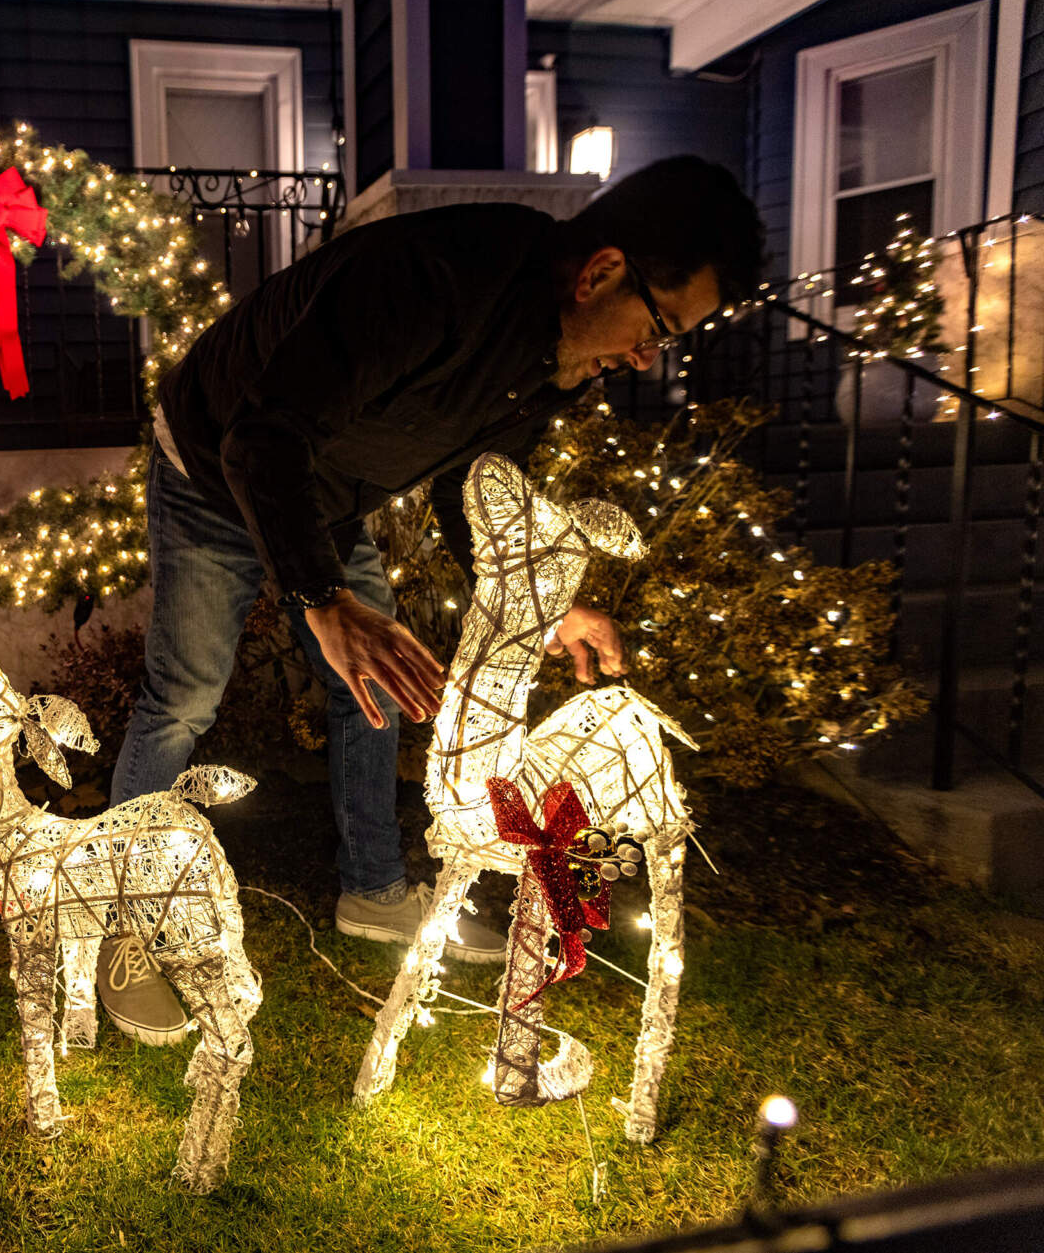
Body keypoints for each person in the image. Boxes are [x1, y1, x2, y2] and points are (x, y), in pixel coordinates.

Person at [94, 156, 766, 1045]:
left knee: (376, 681)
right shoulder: (430, 280)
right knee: (185, 695)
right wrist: (323, 599)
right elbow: (260, 441)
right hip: (217, 467)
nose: (648, 355)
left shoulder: (549, 360)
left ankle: (373, 889)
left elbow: (474, 488)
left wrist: (544, 603)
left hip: (324, 492)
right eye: (661, 326)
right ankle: (124, 926)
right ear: (603, 271)